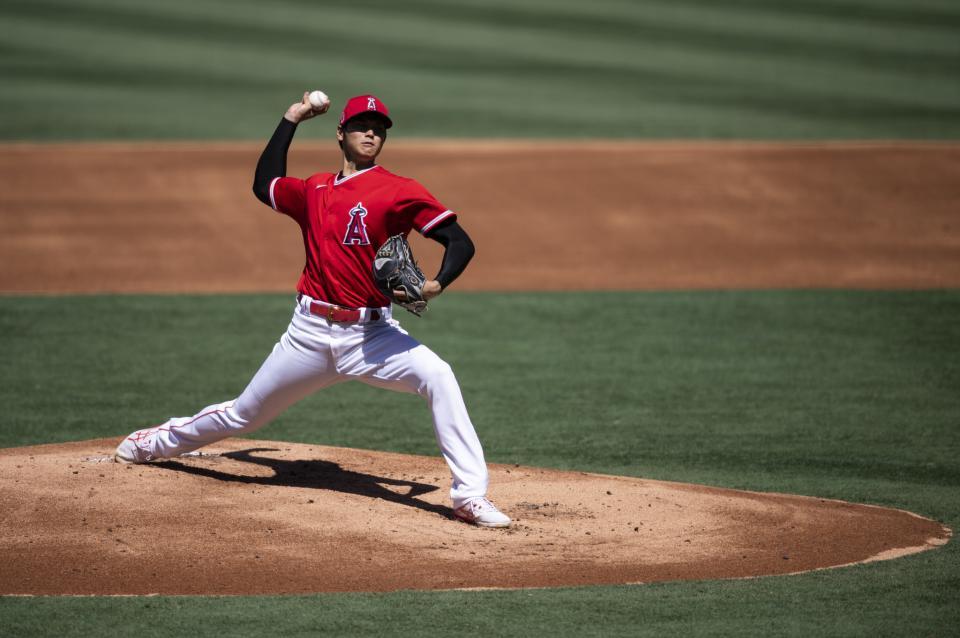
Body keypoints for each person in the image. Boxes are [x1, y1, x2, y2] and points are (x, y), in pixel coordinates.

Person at [114, 92, 511, 528]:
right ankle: (153, 442)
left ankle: (468, 497)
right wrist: (292, 118)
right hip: (307, 335)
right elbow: (263, 183)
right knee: (244, 414)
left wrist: (435, 284)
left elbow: (460, 241)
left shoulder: (400, 190)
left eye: (379, 127)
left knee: (438, 375)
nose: (371, 132)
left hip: (372, 337)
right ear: (340, 133)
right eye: (361, 125)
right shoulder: (314, 189)